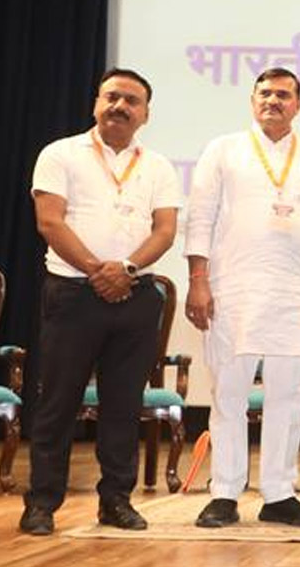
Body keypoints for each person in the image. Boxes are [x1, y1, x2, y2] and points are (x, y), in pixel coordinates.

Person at [20, 68, 180, 535]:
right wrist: (97, 270)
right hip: (73, 293)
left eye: (132, 101)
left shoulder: (158, 166)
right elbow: (50, 222)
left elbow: (165, 230)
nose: (120, 106)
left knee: (123, 405)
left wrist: (125, 269)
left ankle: (116, 501)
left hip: (135, 296)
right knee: (58, 402)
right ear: (96, 103)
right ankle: (42, 504)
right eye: (112, 97)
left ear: (145, 114)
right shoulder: (60, 153)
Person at [185, 67, 300, 529]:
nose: (273, 101)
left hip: (295, 291)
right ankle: (224, 492)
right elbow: (200, 217)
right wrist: (198, 280)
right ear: (253, 100)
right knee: (229, 394)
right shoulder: (223, 149)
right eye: (265, 93)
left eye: (283, 94)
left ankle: (279, 493)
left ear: (299, 104)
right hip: (232, 288)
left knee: (288, 397)